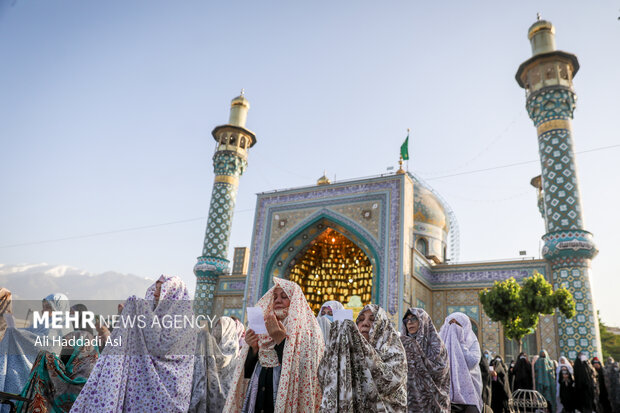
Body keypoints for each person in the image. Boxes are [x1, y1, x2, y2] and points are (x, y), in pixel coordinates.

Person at [70, 275, 197, 412]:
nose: (155, 293)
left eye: (161, 290)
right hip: (145, 389)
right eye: (156, 289)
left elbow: (162, 347)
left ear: (173, 296)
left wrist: (138, 307)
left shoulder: (185, 324)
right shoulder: (155, 320)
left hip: (173, 388)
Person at [224, 278, 325, 413]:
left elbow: (304, 371)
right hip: (258, 394)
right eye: (275, 297)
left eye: (284, 297)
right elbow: (248, 373)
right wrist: (253, 348)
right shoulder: (264, 324)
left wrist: (281, 341)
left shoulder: (307, 329)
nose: (278, 300)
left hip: (286, 397)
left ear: (295, 301)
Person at [318, 303, 407, 412]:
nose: (365, 323)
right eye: (360, 319)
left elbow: (390, 381)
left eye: (372, 319)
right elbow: (324, 377)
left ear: (382, 325)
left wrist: (362, 351)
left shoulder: (394, 351)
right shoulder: (346, 353)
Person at [0, 293, 72, 407]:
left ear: (59, 308)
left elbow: (50, 346)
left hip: (46, 367)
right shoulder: (42, 322)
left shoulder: (62, 325)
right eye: (43, 307)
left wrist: (17, 333)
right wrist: (14, 330)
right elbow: (29, 331)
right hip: (32, 360)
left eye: (48, 307)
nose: (44, 310)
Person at [15, 328, 99, 412]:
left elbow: (75, 392)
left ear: (82, 347)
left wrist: (50, 364)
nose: (65, 350)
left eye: (69, 346)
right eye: (65, 346)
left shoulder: (91, 367)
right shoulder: (74, 365)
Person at [399, 308, 450, 412]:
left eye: (414, 319)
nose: (409, 322)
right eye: (406, 320)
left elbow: (440, 373)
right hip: (408, 403)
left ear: (423, 320)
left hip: (433, 403)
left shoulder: (437, 346)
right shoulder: (401, 345)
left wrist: (417, 353)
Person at [189, 316, 243, 413]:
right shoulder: (209, 346)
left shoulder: (232, 347)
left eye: (220, 325)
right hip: (208, 393)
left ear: (228, 329)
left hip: (225, 396)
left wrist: (207, 340)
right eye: (216, 325)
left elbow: (223, 360)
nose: (217, 329)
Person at [438, 312, 483, 413]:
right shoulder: (439, 342)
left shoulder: (471, 341)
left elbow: (472, 363)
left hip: (469, 397)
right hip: (444, 394)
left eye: (457, 325)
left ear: (465, 327)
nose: (453, 329)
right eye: (450, 325)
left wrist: (461, 341)